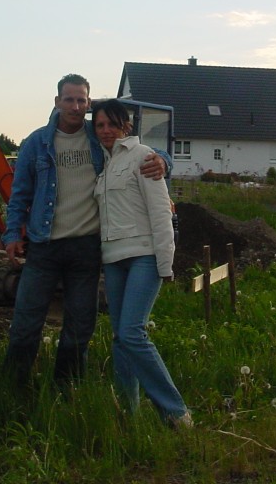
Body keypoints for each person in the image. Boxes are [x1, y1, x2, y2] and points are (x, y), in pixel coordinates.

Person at [2, 74, 167, 386]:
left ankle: (67, 390)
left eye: (81, 100)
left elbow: (141, 150)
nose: (75, 106)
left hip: (86, 249)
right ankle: (14, 387)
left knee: (79, 326)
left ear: (88, 103)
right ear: (57, 102)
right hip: (44, 247)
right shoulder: (36, 143)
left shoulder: (99, 135)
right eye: (69, 99)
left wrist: (163, 160)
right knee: (26, 322)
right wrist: (12, 235)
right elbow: (19, 194)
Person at [92, 98, 191, 428]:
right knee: (120, 338)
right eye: (100, 125)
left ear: (126, 126)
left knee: (132, 333)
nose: (106, 130)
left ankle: (176, 413)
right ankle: (127, 414)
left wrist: (165, 263)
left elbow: (161, 213)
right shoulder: (103, 166)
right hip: (113, 259)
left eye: (112, 123)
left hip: (143, 257)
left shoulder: (144, 157)